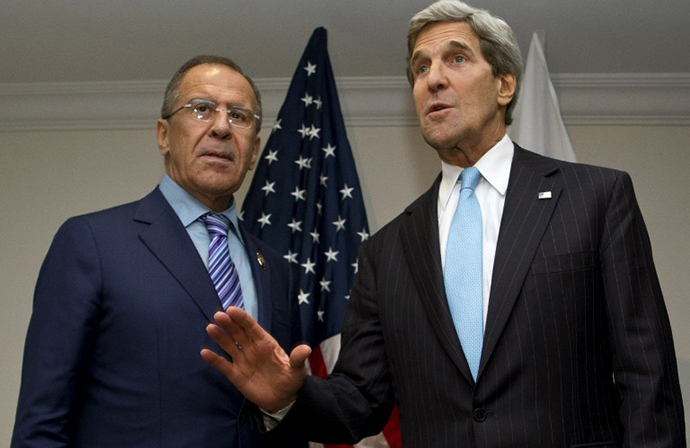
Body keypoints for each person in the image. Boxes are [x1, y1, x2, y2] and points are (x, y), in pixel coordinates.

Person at [201, 2, 687, 447]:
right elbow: (359, 405)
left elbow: (648, 380)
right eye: (420, 67)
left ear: (503, 85)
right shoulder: (385, 252)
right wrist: (289, 395)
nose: (432, 79)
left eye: (456, 59)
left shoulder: (595, 198)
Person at [11, 55, 306, 448]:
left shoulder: (277, 270)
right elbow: (43, 421)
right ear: (164, 135)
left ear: (253, 152)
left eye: (239, 116)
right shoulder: (91, 242)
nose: (221, 127)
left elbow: (281, 409)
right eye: (201, 109)